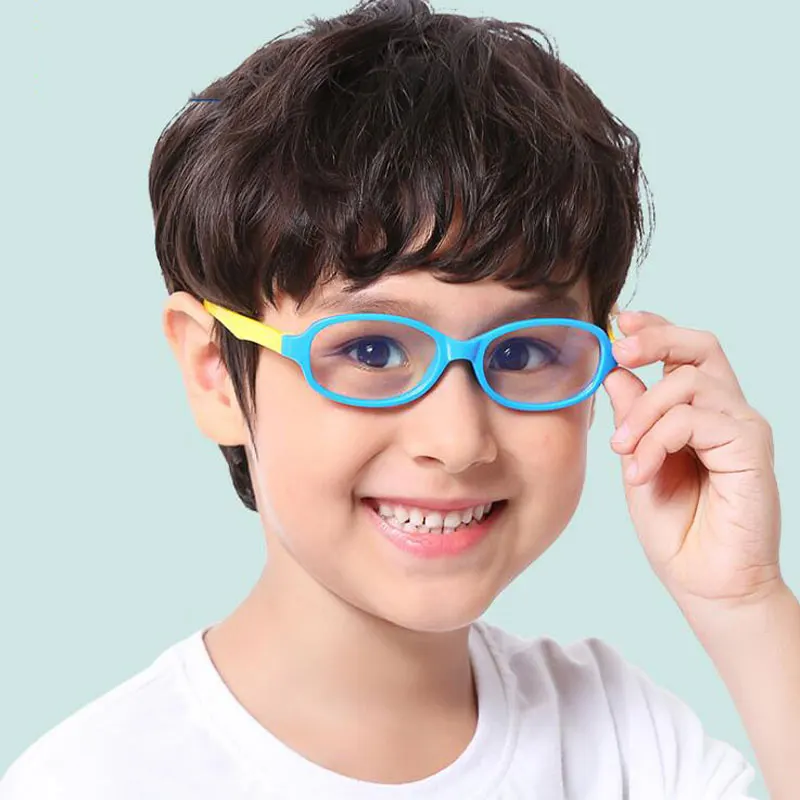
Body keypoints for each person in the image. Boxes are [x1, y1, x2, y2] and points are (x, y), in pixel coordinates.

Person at [3, 1, 798, 797]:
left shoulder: (628, 744)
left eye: (521, 352)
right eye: (371, 350)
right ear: (214, 369)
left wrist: (745, 604)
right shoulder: (92, 779)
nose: (457, 441)